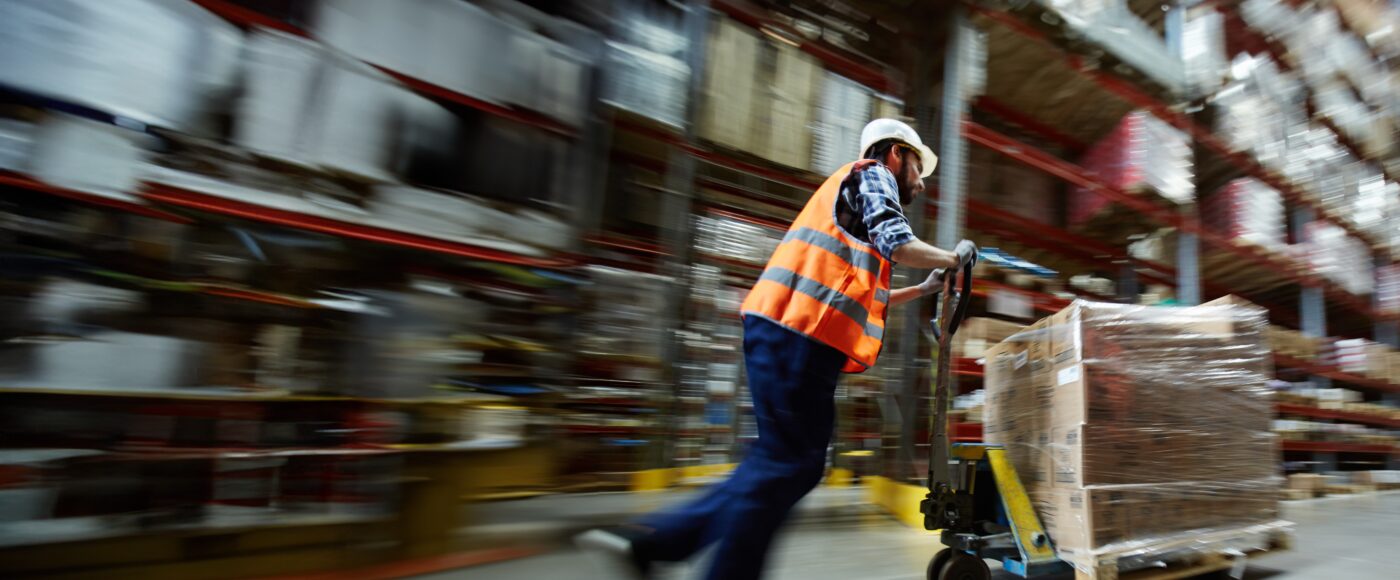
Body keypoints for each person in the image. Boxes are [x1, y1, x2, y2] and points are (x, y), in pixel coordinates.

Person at [577, 119, 978, 580]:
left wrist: (926, 287)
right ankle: (707, 565)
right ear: (894, 155)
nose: (921, 182)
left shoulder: (853, 204)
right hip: (799, 333)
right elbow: (897, 241)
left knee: (784, 462)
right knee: (790, 463)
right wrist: (953, 258)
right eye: (917, 166)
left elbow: (867, 292)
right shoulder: (872, 174)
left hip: (794, 334)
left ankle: (653, 544)